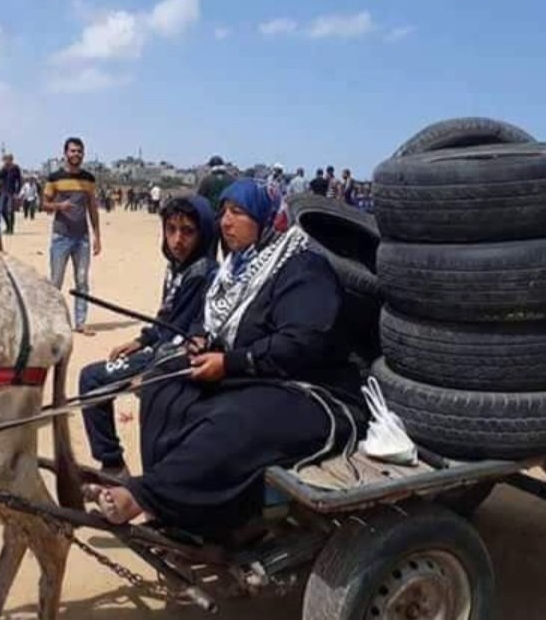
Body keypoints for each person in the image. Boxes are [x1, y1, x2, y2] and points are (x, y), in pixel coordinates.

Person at [87, 179, 357, 538]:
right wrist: (201, 339)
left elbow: (302, 344)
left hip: (310, 389)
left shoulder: (303, 268)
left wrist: (229, 363)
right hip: (256, 376)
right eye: (224, 212)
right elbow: (213, 319)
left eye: (238, 212)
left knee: (233, 422)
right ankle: (178, 508)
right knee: (165, 384)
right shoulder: (236, 268)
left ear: (266, 218)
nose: (225, 222)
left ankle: (146, 497)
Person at [79, 196, 219, 476]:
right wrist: (140, 341)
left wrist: (154, 369)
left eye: (188, 231)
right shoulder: (178, 269)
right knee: (93, 378)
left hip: (173, 362)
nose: (177, 240)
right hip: (159, 352)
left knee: (92, 378)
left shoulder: (205, 274)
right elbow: (165, 319)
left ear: (203, 234)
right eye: (171, 229)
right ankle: (113, 465)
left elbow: (195, 332)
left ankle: (114, 464)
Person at [43, 137, 101, 335]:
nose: (76, 154)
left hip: (82, 237)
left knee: (82, 280)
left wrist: (97, 236)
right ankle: (52, 322)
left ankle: (80, 322)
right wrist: (60, 206)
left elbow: (92, 207)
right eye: (72, 151)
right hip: (61, 236)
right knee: (56, 281)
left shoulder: (89, 179)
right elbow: (44, 205)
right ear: (65, 153)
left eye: (79, 151)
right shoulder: (55, 178)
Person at [0, 153, 23, 235]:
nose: (7, 161)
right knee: (2, 210)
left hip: (12, 192)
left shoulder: (15, 168)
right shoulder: (4, 168)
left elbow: (20, 181)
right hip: (3, 191)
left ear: (11, 159)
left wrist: (17, 192)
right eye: (5, 159)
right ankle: (8, 225)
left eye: (8, 159)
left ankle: (11, 228)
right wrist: (3, 168)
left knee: (10, 211)